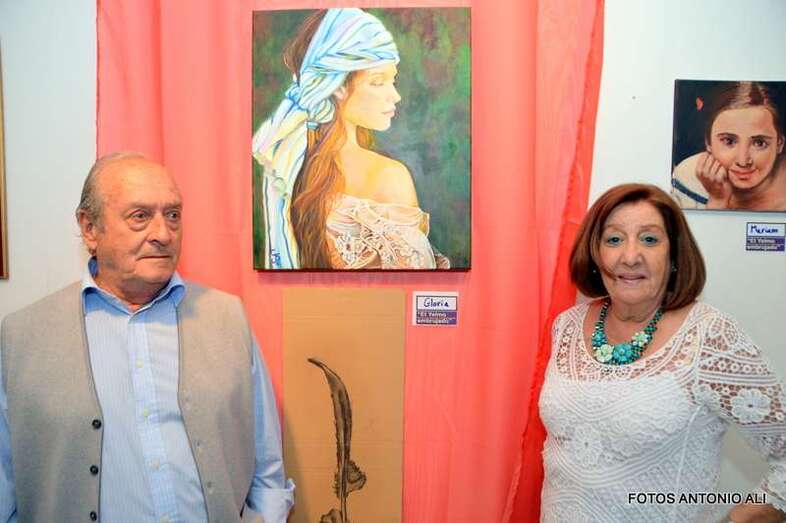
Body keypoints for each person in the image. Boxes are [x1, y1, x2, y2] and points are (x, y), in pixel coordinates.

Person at [0, 153, 294, 522]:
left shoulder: (228, 318)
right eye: (140, 216)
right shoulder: (23, 337)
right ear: (90, 228)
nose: (163, 233)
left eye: (173, 215)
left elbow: (266, 465)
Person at [539, 184, 786, 522]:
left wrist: (738, 519)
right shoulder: (567, 325)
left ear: (674, 256)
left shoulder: (710, 336)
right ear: (594, 254)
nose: (630, 256)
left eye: (650, 239)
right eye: (614, 239)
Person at [252, 8, 450, 270]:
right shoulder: (388, 176)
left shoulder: (287, 167)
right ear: (337, 87)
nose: (395, 96)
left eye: (392, 80)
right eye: (377, 82)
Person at [672, 81, 786, 211]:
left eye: (759, 143)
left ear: (779, 144)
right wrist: (718, 200)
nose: (743, 162)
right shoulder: (688, 178)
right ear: (708, 142)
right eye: (729, 141)